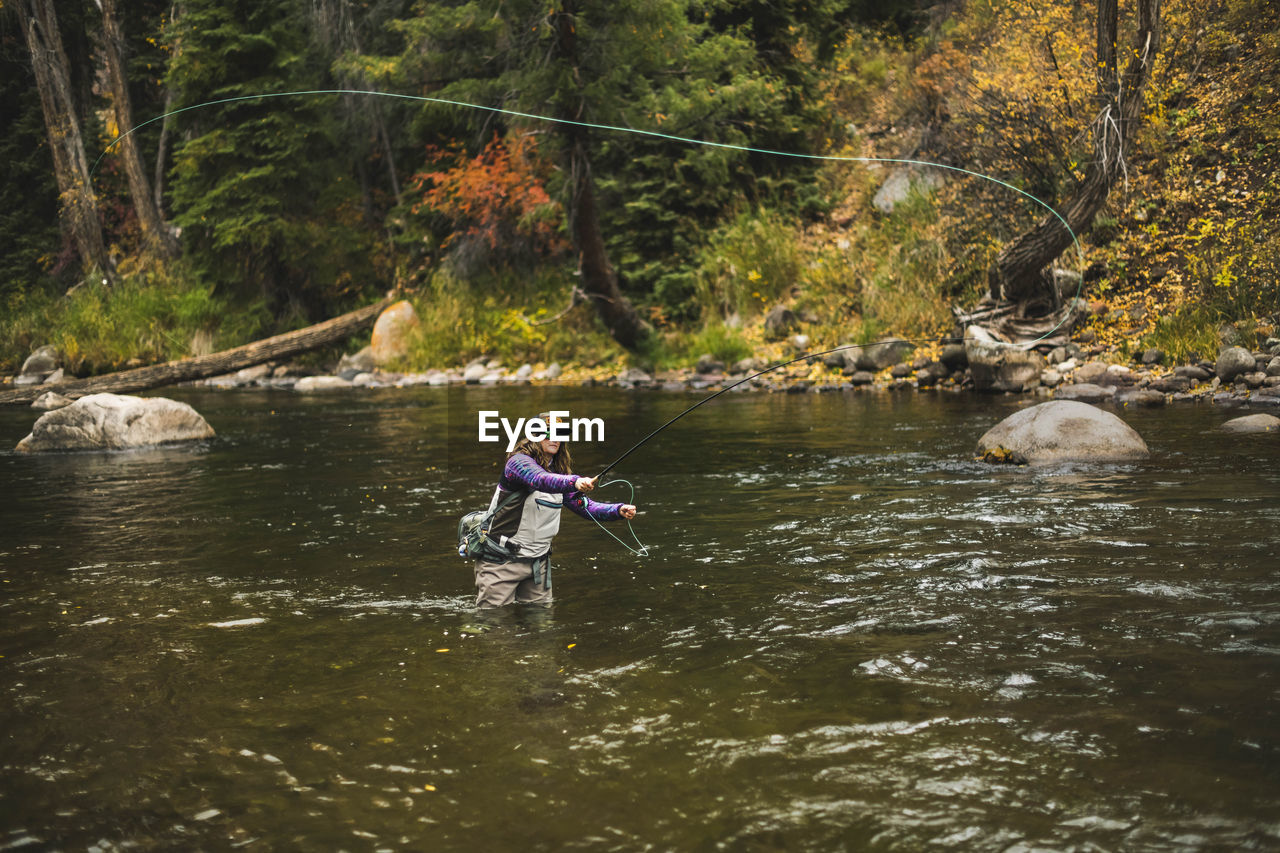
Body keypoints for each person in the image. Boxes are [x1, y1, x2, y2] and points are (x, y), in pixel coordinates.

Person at [473, 412, 637, 608]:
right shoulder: (518, 463)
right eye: (547, 433)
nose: (554, 438)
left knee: (541, 628)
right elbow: (540, 480)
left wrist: (617, 510)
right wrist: (575, 481)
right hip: (501, 562)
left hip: (538, 565)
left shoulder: (560, 475)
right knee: (494, 626)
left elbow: (585, 507)